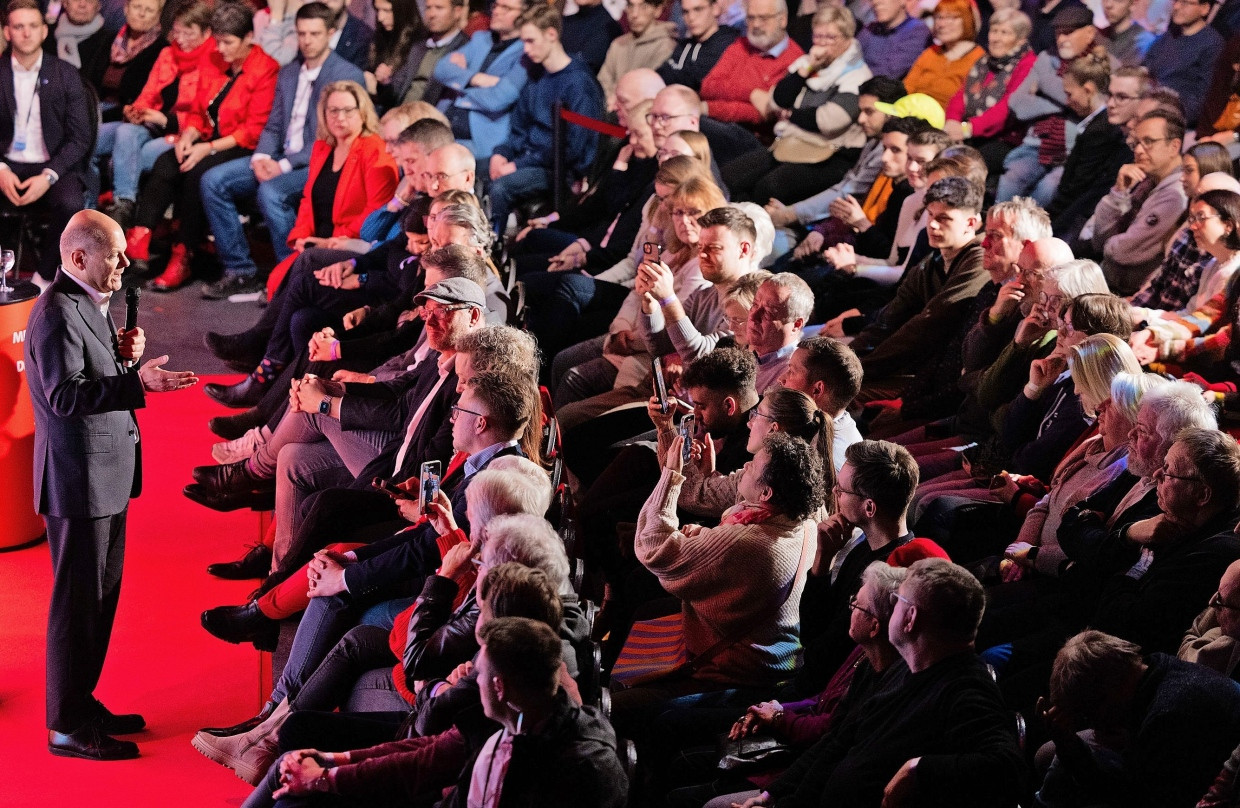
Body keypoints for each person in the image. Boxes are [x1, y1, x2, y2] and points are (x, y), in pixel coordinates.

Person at [25, 210, 197, 760]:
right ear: (79, 258)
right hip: (78, 481)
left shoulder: (85, 301)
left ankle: (80, 700)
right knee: (76, 605)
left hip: (103, 473)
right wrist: (134, 383)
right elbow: (65, 398)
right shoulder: (55, 312)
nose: (127, 262)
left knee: (98, 599)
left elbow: (90, 376)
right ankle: (65, 724)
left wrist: (123, 361)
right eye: (115, 254)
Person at [731, 558, 1025, 807]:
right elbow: (837, 741)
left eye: (897, 601)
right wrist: (773, 796)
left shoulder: (967, 688)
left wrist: (918, 769)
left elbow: (1007, 767)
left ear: (910, 618)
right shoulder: (901, 669)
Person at [198, 1, 367, 300]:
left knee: (272, 193)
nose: (307, 41)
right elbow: (274, 124)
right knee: (213, 180)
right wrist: (263, 156)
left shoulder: (346, 74)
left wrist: (283, 166)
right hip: (280, 157)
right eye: (302, 34)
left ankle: (288, 276)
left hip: (317, 163)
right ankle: (240, 270)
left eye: (314, 34)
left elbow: (332, 138)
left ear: (329, 34)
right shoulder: (289, 72)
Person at [124, 1, 280, 291]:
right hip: (210, 138)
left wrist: (206, 149)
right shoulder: (214, 58)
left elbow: (252, 131)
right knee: (168, 162)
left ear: (248, 38)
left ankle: (182, 255)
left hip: (241, 145)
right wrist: (189, 136)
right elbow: (198, 110)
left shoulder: (265, 69)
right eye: (218, 41)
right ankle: (138, 243)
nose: (220, 48)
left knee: (197, 172)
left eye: (228, 42)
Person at [1039, 630, 1240, 808]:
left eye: (1088, 715)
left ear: (1107, 694)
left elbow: (1135, 799)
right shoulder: (1158, 667)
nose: (1093, 725)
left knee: (1059, 764)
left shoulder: (1167, 717)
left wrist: (1073, 750)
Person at [442, 617, 628, 807]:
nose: (477, 681)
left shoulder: (584, 769)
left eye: (480, 674)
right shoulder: (513, 734)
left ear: (500, 687)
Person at [848, 176, 988, 399]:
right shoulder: (930, 264)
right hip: (919, 369)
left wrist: (858, 371)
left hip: (948, 383)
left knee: (845, 396)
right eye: (930, 215)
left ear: (971, 223)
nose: (932, 224)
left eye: (944, 219)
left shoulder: (980, 260)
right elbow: (887, 320)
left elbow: (929, 324)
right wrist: (844, 360)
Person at [720, 6, 872, 205]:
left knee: (768, 188)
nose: (822, 44)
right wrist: (805, 71)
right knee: (729, 177)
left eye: (830, 38)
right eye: (818, 36)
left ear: (847, 38)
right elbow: (775, 100)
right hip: (789, 142)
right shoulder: (806, 63)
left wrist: (791, 115)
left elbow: (829, 120)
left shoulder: (857, 75)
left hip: (828, 153)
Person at [96, 0, 224, 233]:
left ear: (206, 33)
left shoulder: (215, 60)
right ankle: (94, 209)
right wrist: (137, 110)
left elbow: (205, 116)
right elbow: (148, 94)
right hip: (150, 125)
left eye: (189, 33)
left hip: (183, 133)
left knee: (125, 156)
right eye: (177, 32)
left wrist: (165, 120)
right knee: (91, 141)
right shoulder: (167, 53)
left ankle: (122, 206)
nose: (181, 39)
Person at [0, 0, 97, 290]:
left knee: (71, 204)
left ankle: (43, 278)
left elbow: (80, 138)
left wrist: (49, 175)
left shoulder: (66, 73)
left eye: (33, 26)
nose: (26, 33)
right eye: (19, 26)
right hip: (6, 162)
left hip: (53, 162)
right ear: (7, 32)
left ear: (44, 31)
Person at [486, 3, 603, 233]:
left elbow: (571, 149)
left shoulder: (578, 83)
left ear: (551, 34)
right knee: (475, 168)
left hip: (558, 170)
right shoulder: (537, 77)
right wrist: (502, 153)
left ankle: (494, 246)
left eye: (531, 41)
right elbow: (519, 127)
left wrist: (517, 165)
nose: (526, 50)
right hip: (529, 160)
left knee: (501, 188)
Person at [1087, 108, 1188, 296]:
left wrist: (1107, 243)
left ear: (1174, 146)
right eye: (1137, 143)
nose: (1139, 151)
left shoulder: (1176, 195)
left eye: (1148, 142)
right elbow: (1099, 237)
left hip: (1124, 293)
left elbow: (1123, 252)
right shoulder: (1146, 181)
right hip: (1107, 279)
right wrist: (1119, 192)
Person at [430, 0, 529, 162]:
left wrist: (460, 83)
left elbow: (499, 98)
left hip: (479, 140)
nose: (497, 11)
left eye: (506, 8)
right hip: (442, 127)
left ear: (525, 14)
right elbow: (441, 69)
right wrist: (475, 78)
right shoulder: (481, 39)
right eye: (496, 5)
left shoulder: (526, 51)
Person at [944, 8, 1035, 181]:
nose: (996, 38)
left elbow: (1008, 108)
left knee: (960, 167)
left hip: (1005, 138)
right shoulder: (984, 60)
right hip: (969, 130)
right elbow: (961, 94)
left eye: (1005, 33)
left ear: (1020, 39)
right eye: (994, 31)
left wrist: (967, 129)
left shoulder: (1028, 64)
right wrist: (952, 121)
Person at [698, 0, 804, 138]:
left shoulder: (795, 61)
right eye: (751, 18)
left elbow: (764, 114)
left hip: (756, 140)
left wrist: (708, 108)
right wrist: (752, 94)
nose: (756, 25)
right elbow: (708, 86)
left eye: (763, 18)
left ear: (782, 20)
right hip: (716, 127)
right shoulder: (740, 45)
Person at [1141, 0, 1223, 127]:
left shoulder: (1212, 44)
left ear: (1204, 9)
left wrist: (1168, 116)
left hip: (1175, 120)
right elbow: (1144, 71)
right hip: (1147, 108)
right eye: (1176, 1)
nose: (1177, 7)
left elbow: (1203, 98)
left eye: (1185, 2)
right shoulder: (1167, 37)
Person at [377, 0, 467, 108]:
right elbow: (396, 90)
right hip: (399, 114)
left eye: (439, 8)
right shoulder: (419, 46)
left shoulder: (464, 50)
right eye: (428, 8)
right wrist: (386, 82)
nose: (432, 14)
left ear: (457, 12)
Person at [902, 0, 984, 109]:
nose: (941, 24)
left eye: (952, 18)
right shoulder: (930, 53)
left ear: (968, 20)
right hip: (911, 115)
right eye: (939, 17)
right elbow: (907, 87)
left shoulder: (979, 59)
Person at [599, 0, 675, 111]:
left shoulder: (666, 46)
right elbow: (603, 80)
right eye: (630, 6)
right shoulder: (618, 44)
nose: (634, 14)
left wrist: (618, 102)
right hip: (610, 109)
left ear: (657, 10)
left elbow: (649, 89)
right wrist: (610, 101)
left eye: (643, 6)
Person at [657, 0, 738, 91]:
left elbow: (699, 81)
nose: (691, 17)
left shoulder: (728, 43)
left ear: (715, 8)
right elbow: (660, 76)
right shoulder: (684, 45)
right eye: (685, 12)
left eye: (698, 9)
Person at [855, 0, 930, 81]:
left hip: (887, 90)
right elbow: (849, 58)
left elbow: (889, 73)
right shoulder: (870, 29)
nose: (875, 2)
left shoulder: (917, 31)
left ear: (902, 1)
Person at [362, 0, 423, 99]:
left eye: (387, 10)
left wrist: (385, 83)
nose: (380, 17)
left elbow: (404, 92)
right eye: (378, 10)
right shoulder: (381, 36)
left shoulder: (418, 45)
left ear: (403, 10)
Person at [52, 0, 117, 87]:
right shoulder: (44, 36)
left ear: (98, 6)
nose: (82, 4)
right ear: (64, 3)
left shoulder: (111, 43)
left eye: (89, 1)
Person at [1099, 0, 1154, 65]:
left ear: (1132, 5)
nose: (1108, 5)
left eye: (1118, 1)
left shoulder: (1142, 41)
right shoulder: (1100, 35)